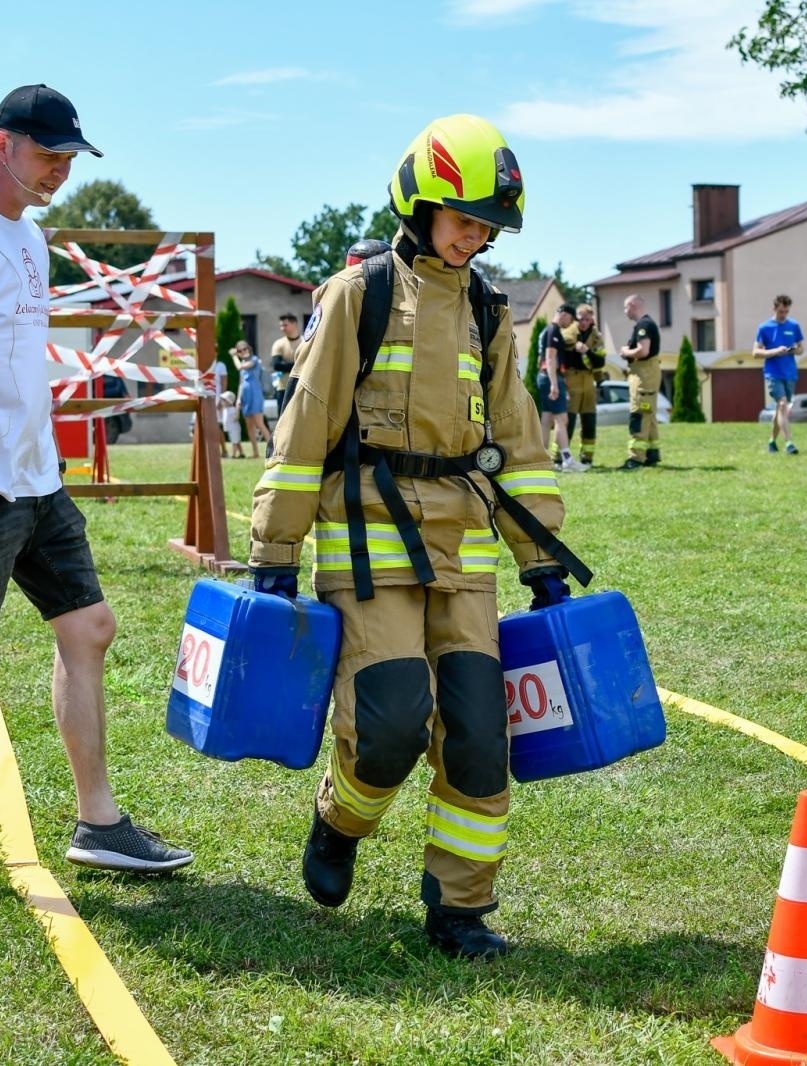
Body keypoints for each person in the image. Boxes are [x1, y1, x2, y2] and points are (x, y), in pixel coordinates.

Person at [249, 114, 571, 959]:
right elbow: (304, 428)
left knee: (477, 733)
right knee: (389, 726)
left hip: (463, 552)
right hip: (368, 550)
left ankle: (459, 910)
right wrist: (274, 551)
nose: (476, 238)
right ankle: (338, 822)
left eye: (487, 228)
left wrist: (541, 559)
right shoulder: (358, 296)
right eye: (464, 219)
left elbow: (517, 441)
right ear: (418, 203)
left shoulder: (490, 312)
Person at [0, 84, 192, 901]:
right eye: (48, 155)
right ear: (1, 144)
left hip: (36, 482)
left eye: (68, 158)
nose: (60, 170)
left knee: (90, 628)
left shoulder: (30, 238)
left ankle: (98, 824)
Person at [753, 294, 803, 455]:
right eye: (781, 311)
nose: (784, 315)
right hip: (772, 373)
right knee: (781, 404)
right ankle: (789, 443)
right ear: (774, 308)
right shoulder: (764, 328)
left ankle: (772, 442)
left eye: (786, 312)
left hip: (790, 373)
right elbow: (755, 352)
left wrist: (790, 350)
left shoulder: (794, 326)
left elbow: (801, 349)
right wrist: (775, 351)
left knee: (780, 410)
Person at [618, 293, 662, 468]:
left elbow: (643, 351)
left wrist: (625, 352)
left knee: (639, 415)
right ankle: (652, 453)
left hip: (644, 375)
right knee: (648, 414)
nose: (624, 311)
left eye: (626, 307)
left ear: (634, 306)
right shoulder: (646, 324)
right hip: (646, 374)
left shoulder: (644, 325)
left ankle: (635, 458)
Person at [561, 303, 607, 466]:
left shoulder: (597, 337)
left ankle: (587, 457)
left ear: (591, 320)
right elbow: (560, 354)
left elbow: (601, 361)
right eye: (581, 319)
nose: (584, 322)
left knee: (589, 419)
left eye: (587, 319)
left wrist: (587, 351)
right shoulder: (567, 333)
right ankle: (559, 456)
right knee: (568, 420)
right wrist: (574, 349)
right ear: (576, 319)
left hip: (589, 379)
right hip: (571, 378)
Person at [538, 304, 583, 471]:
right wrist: (554, 385)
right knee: (561, 419)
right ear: (564, 314)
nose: (570, 324)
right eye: (571, 320)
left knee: (547, 419)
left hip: (545, 377)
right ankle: (567, 460)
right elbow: (550, 359)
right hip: (551, 376)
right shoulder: (553, 331)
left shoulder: (547, 330)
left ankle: (542, 459)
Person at [270, 312, 300, 412]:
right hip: (283, 387)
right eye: (281, 326)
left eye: (285, 325)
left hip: (301, 386)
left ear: (294, 324)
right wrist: (298, 364)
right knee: (282, 419)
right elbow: (277, 365)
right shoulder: (278, 344)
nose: (282, 328)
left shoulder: (305, 342)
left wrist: (286, 365)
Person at [219, 388, 244, 458]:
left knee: (234, 442)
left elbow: (236, 418)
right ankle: (241, 453)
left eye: (223, 400)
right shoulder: (225, 410)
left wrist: (238, 409)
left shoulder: (232, 410)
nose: (221, 402)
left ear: (228, 401)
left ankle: (233, 454)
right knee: (237, 442)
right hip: (231, 429)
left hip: (234, 428)